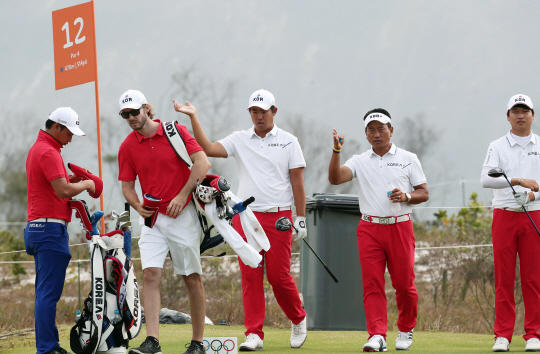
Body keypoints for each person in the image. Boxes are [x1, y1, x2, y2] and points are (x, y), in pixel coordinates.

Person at [174, 89, 308, 350]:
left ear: (274, 112)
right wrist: (193, 117)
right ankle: (254, 333)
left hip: (279, 216)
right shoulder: (239, 139)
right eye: (254, 112)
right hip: (245, 216)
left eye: (263, 111)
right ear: (250, 113)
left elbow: (298, 182)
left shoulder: (289, 141)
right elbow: (209, 148)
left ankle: (298, 318)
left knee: (279, 277)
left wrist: (300, 218)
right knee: (250, 275)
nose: (259, 116)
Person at [117, 90, 211, 354]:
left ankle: (197, 344)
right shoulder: (127, 146)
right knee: (150, 275)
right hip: (152, 220)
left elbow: (202, 162)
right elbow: (127, 186)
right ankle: (153, 342)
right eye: (125, 115)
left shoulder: (175, 131)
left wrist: (182, 196)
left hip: (183, 215)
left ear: (147, 108)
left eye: (134, 112)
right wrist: (137, 206)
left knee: (191, 277)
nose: (131, 118)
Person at [328, 109, 429, 352]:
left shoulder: (408, 157)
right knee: (372, 284)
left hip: (400, 227)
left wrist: (405, 196)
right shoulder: (359, 160)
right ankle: (377, 335)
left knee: (404, 284)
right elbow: (335, 178)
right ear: (365, 134)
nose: (376, 134)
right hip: (369, 228)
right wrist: (336, 151)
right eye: (371, 130)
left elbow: (423, 192)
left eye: (381, 129)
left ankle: (405, 328)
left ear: (391, 131)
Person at [25, 107, 95, 354]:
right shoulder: (49, 151)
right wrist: (86, 183)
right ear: (57, 127)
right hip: (49, 229)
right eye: (69, 133)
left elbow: (57, 186)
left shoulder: (38, 149)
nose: (71, 139)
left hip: (37, 227)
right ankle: (46, 349)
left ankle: (49, 345)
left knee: (44, 293)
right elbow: (63, 191)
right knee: (48, 294)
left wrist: (73, 181)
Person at [481, 94, 540, 353]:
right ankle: (502, 336)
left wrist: (532, 194)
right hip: (504, 214)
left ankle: (533, 334)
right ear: (508, 116)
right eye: (515, 111)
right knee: (504, 277)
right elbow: (486, 179)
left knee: (533, 277)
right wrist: (518, 181)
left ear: (532, 115)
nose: (520, 115)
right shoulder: (497, 146)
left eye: (525, 111)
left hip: (534, 212)